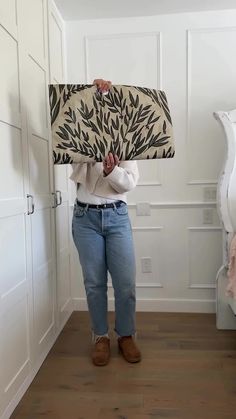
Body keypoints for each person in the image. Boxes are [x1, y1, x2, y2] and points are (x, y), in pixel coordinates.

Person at [70, 79, 141, 366]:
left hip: (117, 217)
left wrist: (109, 170)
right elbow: (69, 159)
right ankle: (100, 337)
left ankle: (126, 335)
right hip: (84, 218)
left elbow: (129, 183)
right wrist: (93, 94)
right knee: (94, 284)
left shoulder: (128, 139)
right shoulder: (80, 134)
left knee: (125, 284)